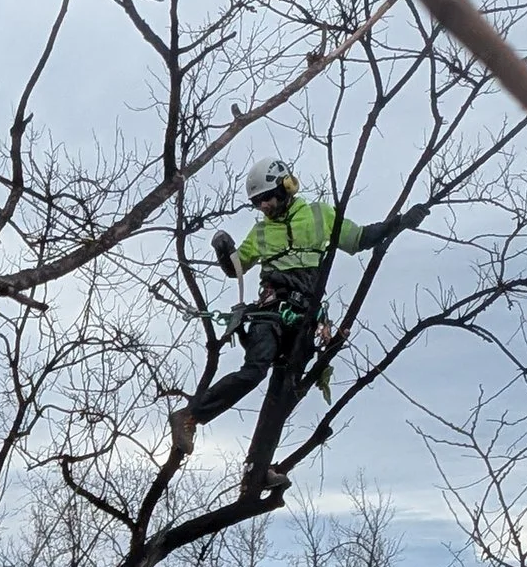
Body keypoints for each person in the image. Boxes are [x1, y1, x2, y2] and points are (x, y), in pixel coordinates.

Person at [167, 158, 416, 477]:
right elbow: (236, 268)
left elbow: (359, 239)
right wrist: (223, 250)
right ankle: (190, 416)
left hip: (304, 319)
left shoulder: (319, 215)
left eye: (267, 197)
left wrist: (400, 222)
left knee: (283, 390)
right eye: (257, 202)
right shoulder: (260, 231)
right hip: (271, 311)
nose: (264, 205)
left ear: (286, 186)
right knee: (254, 370)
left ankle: (256, 469)